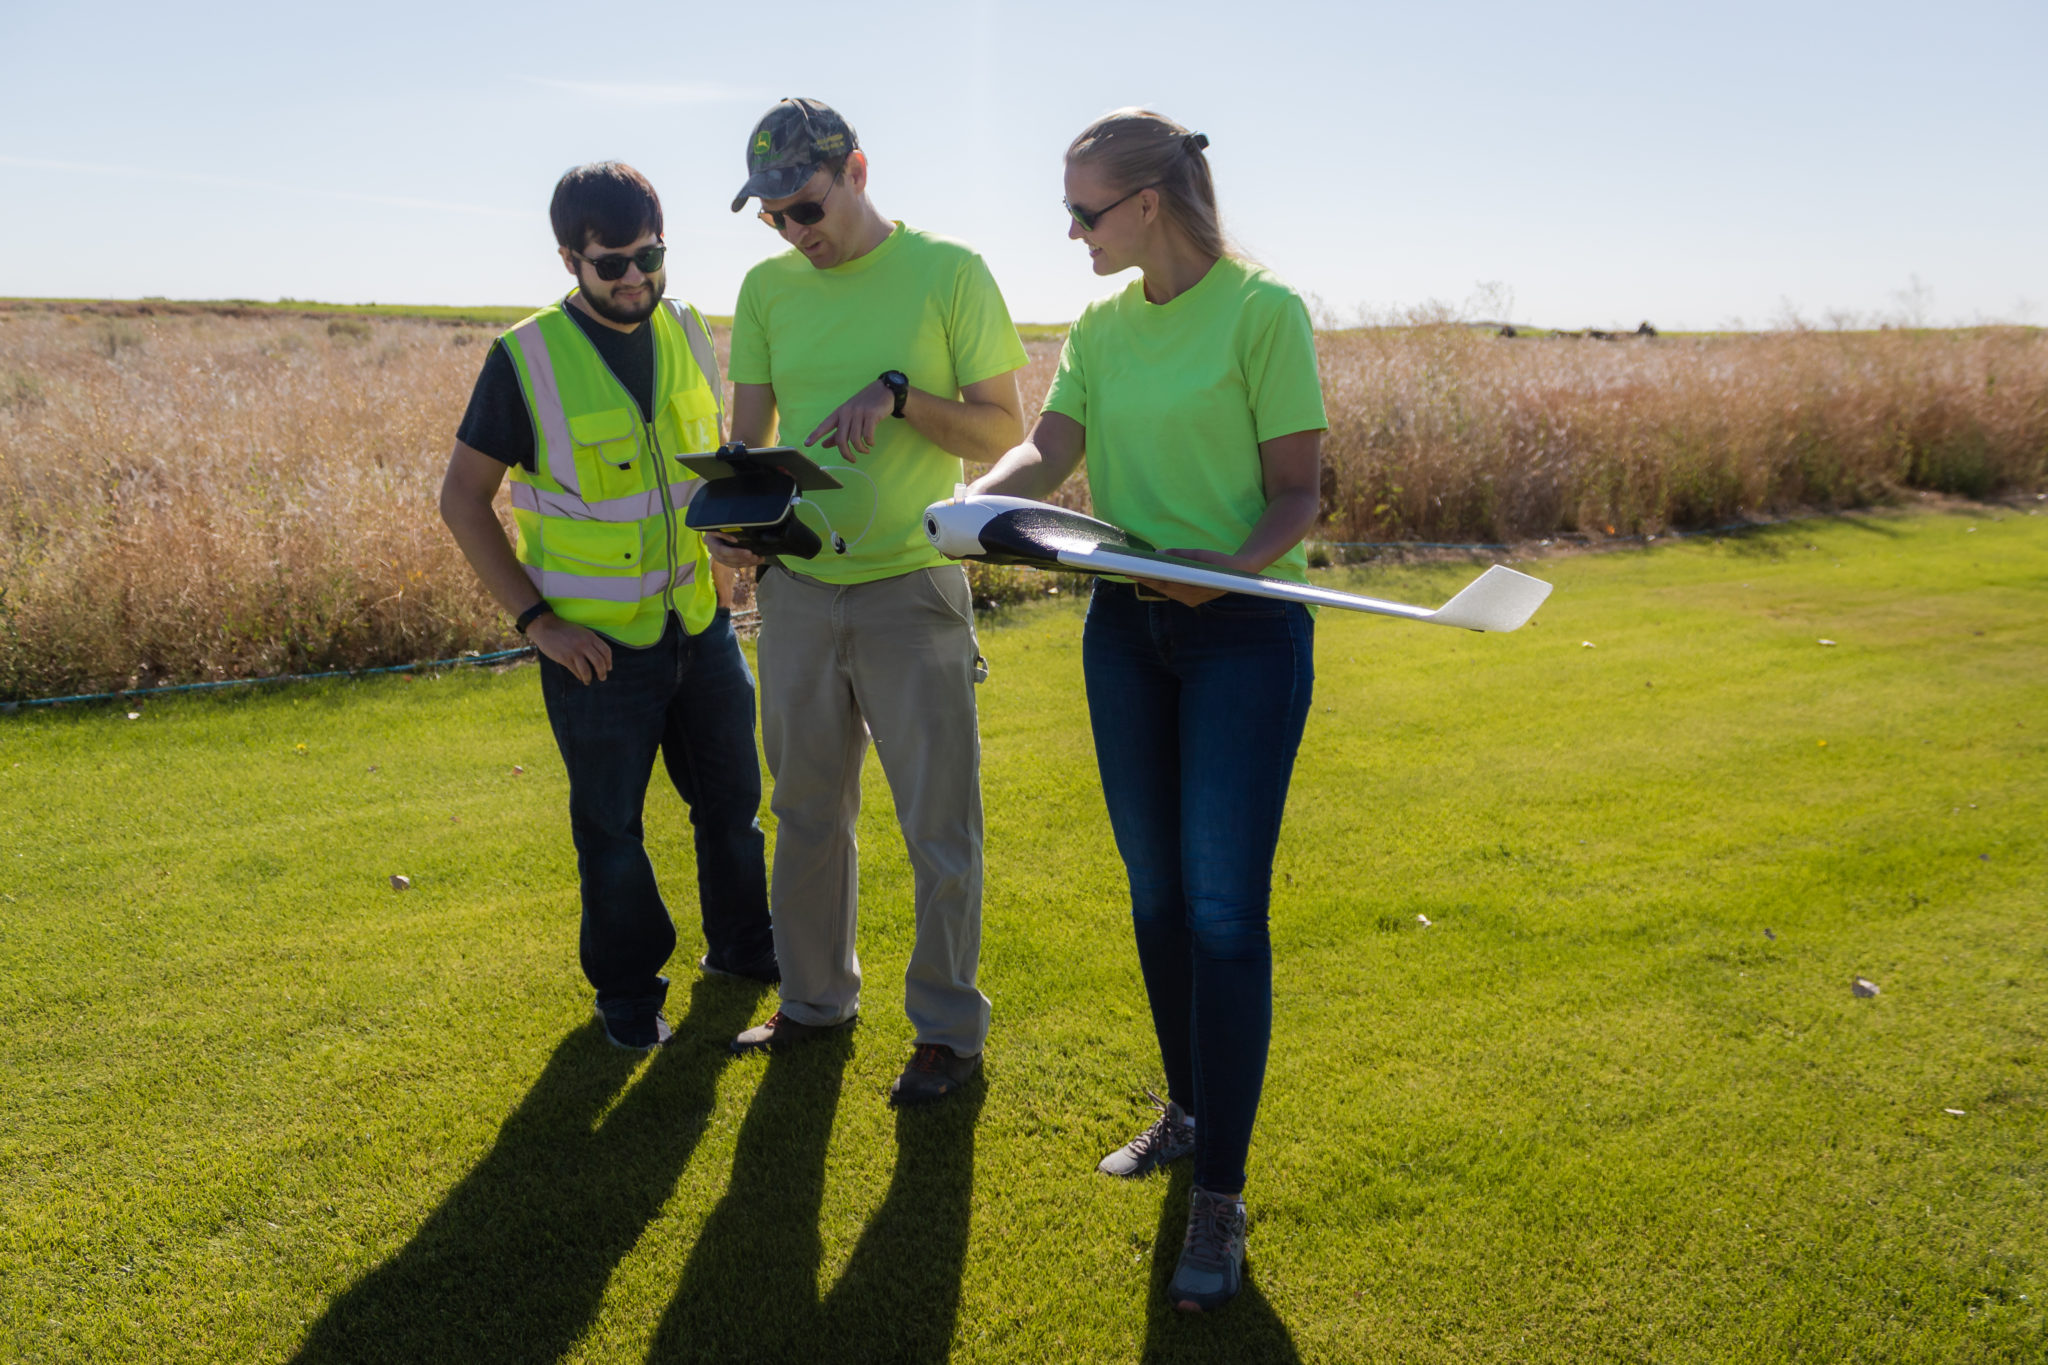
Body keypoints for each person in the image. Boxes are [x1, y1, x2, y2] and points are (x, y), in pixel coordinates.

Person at [963, 110, 1327, 1311]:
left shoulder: (1262, 311)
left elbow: (1295, 497)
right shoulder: (1102, 327)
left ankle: (1218, 1191)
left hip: (1240, 637)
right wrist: (970, 503)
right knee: (1156, 892)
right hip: (1124, 630)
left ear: (1149, 205)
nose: (1069, 232)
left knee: (1223, 910)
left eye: (1082, 212)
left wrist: (1215, 567)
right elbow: (1048, 450)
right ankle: (1187, 1108)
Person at [711, 98, 1027, 1106]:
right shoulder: (766, 291)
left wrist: (897, 397)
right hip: (797, 590)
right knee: (804, 813)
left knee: (939, 827)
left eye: (804, 208)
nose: (794, 235)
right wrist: (731, 516)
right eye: (774, 220)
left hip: (911, 586)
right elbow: (746, 445)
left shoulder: (950, 272)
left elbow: (998, 437)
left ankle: (945, 1033)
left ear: (855, 170)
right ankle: (812, 1004)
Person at [439, 161, 776, 1053]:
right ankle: (629, 997)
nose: (635, 278)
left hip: (698, 628)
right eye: (611, 263)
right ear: (568, 259)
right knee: (612, 834)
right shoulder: (525, 358)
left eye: (650, 256)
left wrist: (727, 546)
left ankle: (745, 949)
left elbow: (699, 474)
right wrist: (537, 623)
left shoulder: (692, 331)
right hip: (594, 652)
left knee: (734, 805)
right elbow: (462, 499)